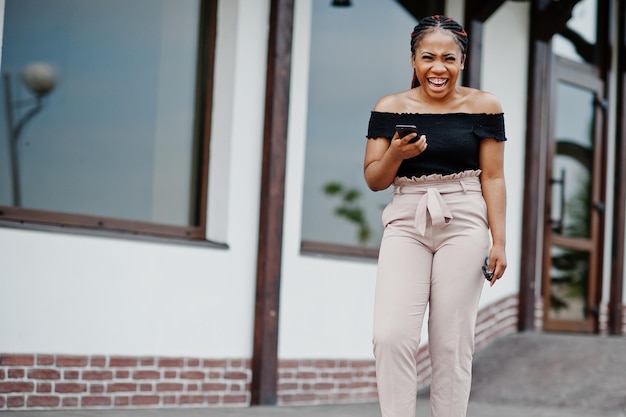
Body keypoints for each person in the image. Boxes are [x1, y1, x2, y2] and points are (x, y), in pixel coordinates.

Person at [363, 15, 507, 417]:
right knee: (390, 336)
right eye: (428, 57)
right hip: (407, 215)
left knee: (450, 342)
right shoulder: (389, 108)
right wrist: (396, 154)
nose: (438, 68)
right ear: (413, 60)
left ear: (462, 62)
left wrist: (500, 241)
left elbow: (493, 177)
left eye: (448, 59)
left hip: (464, 215)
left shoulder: (484, 106)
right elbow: (375, 179)